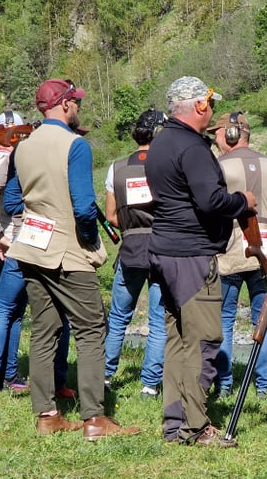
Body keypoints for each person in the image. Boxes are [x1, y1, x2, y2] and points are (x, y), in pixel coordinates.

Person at [4, 78, 139, 440]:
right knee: (93, 329)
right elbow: (82, 207)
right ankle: (95, 418)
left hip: (31, 248)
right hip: (67, 251)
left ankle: (47, 416)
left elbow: (11, 203)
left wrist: (42, 214)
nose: (78, 106)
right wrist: (89, 239)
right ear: (64, 105)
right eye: (75, 101)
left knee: (44, 331)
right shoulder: (76, 145)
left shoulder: (23, 147)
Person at [145, 76, 256, 448]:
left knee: (177, 340)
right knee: (204, 341)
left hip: (164, 251)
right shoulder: (193, 147)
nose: (211, 111)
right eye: (209, 104)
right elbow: (211, 201)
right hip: (192, 255)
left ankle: (174, 423)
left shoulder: (160, 142)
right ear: (198, 106)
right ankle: (195, 426)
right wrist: (244, 202)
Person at [0, 111, 73, 398]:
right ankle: (7, 376)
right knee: (13, 311)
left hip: (17, 239)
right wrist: (0, 234)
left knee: (5, 310)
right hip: (19, 240)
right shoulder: (10, 157)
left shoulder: (5, 155)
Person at [208, 110, 267, 402]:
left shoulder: (217, 166)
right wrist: (262, 217)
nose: (215, 140)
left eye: (216, 134)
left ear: (230, 134)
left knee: (223, 319)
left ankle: (224, 385)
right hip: (266, 249)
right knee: (264, 319)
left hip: (230, 248)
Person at [102, 109, 166, 398]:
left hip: (129, 248)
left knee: (117, 319)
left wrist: (131, 225)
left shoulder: (116, 168)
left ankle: (104, 376)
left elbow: (111, 216)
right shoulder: (167, 165)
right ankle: (150, 385)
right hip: (163, 249)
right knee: (157, 322)